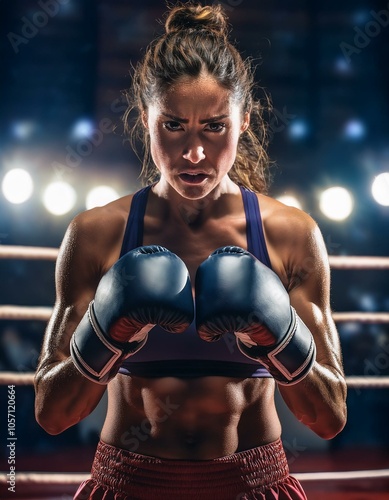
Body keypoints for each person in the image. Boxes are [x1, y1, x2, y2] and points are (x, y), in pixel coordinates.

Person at [34, 2, 347, 499]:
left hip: (254, 484)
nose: (194, 152)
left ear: (243, 122)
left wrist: (281, 335)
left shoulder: (291, 234)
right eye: (174, 125)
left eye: (214, 126)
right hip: (128, 485)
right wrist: (106, 333)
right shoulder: (95, 234)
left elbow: (329, 417)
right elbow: (52, 414)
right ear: (145, 119)